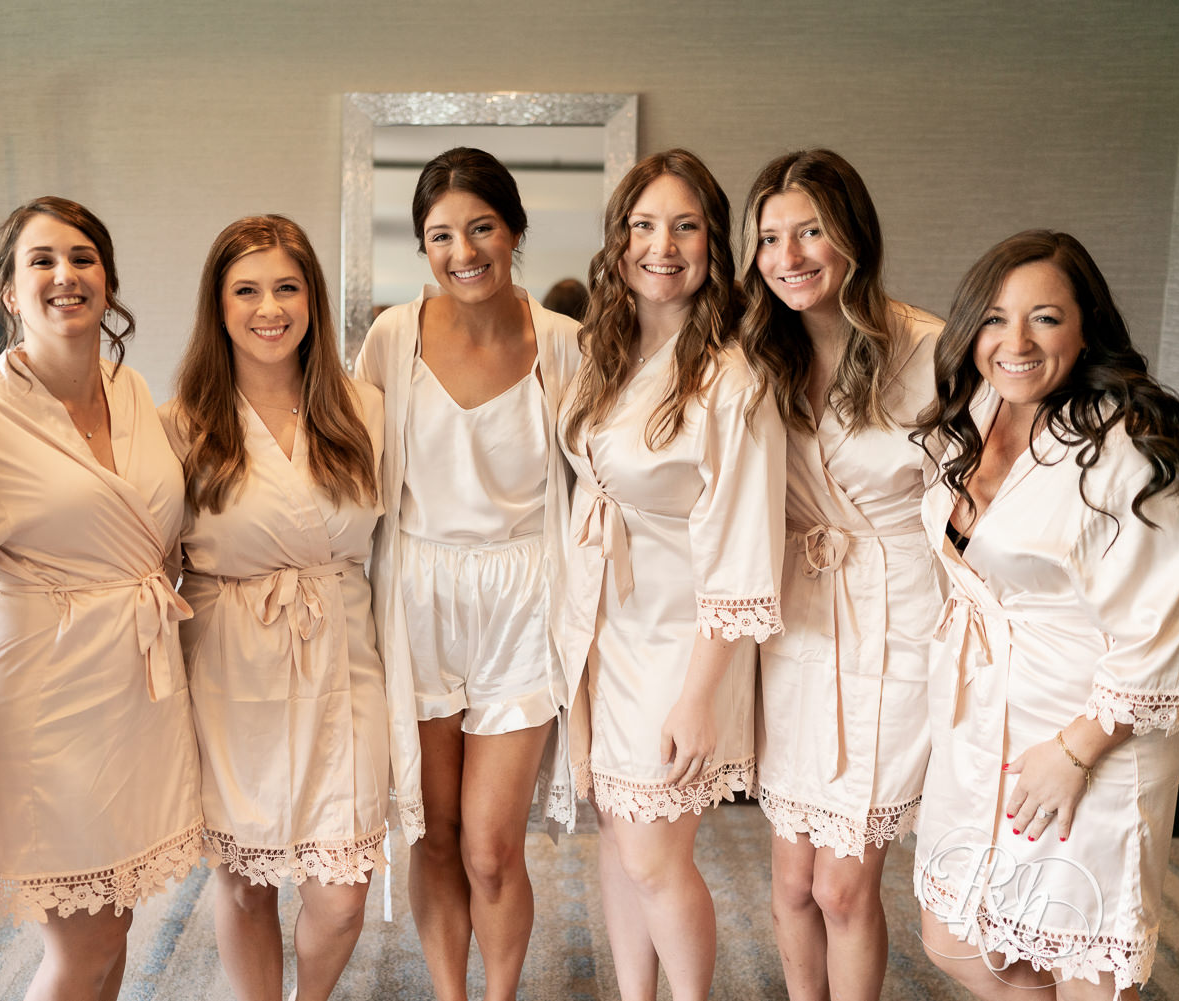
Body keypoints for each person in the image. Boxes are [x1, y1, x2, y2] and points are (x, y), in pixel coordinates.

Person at [0, 197, 204, 1001]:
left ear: (109, 281)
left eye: (83, 258)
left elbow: (156, 525)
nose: (66, 275)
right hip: (42, 690)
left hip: (134, 683)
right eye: (41, 261)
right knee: (80, 943)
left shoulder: (132, 389)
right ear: (10, 293)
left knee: (113, 923)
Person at [912, 230, 1179, 1001]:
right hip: (984, 723)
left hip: (1092, 732)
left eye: (1045, 318)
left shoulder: (1128, 443)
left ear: (1086, 325)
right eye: (995, 319)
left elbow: (1166, 629)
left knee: (1083, 968)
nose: (1015, 341)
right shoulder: (977, 409)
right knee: (963, 939)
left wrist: (1075, 751)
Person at [557, 148, 785, 1001]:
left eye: (686, 225)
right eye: (644, 224)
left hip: (686, 640)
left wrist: (701, 690)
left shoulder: (733, 377)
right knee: (621, 837)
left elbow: (743, 550)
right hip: (610, 626)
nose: (664, 244)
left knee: (657, 850)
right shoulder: (601, 356)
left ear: (713, 246)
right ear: (619, 242)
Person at [354, 146, 581, 1001]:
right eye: (440, 234)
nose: (463, 250)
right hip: (418, 598)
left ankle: (499, 994)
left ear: (514, 230)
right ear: (423, 247)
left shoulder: (561, 343)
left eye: (481, 227)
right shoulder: (391, 337)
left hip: (522, 600)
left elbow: (603, 475)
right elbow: (349, 466)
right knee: (435, 833)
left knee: (492, 844)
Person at [161, 214, 396, 1001]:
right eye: (247, 289)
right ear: (218, 305)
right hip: (231, 664)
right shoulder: (183, 422)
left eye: (287, 287)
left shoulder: (362, 409)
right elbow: (141, 547)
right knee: (244, 879)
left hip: (342, 656)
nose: (270, 308)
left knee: (341, 892)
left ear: (314, 300)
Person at [737, 148, 945, 1001]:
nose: (790, 257)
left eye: (811, 231)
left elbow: (975, 507)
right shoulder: (755, 357)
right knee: (791, 885)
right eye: (771, 238)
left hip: (899, 624)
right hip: (799, 620)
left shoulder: (932, 349)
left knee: (842, 885)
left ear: (852, 234)